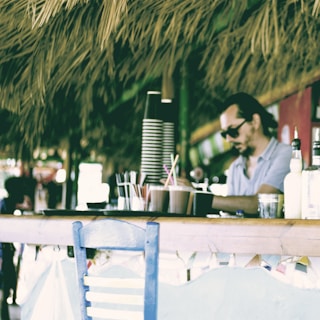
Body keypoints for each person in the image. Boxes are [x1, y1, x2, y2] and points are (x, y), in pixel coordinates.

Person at [210, 92, 292, 215]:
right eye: (224, 134)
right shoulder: (235, 168)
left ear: (255, 121)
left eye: (233, 131)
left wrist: (202, 200)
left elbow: (259, 204)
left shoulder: (287, 155)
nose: (228, 139)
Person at [0, 176, 32, 320]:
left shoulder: (9, 203)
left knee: (7, 283)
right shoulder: (5, 204)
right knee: (5, 283)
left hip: (6, 249)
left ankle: (5, 312)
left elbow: (28, 206)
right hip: (3, 249)